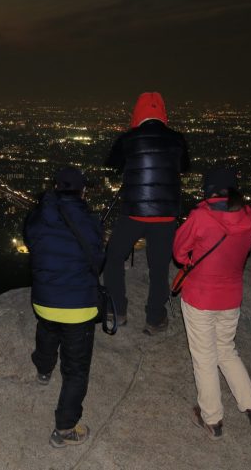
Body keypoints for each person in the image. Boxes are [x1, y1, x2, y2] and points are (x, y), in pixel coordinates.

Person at [173, 168, 251, 440]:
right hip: (231, 297)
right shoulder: (248, 215)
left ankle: (212, 419)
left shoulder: (201, 216)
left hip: (200, 296)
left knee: (204, 357)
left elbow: (179, 252)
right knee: (226, 350)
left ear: (208, 190)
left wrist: (192, 262)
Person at [23, 167, 104, 447]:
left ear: (56, 187)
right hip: (78, 308)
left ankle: (43, 370)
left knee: (47, 331)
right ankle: (65, 428)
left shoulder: (38, 216)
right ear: (83, 191)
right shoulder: (89, 220)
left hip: (44, 300)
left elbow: (30, 242)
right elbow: (98, 258)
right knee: (76, 369)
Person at [103, 92, 189, 334]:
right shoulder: (177, 139)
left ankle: (117, 310)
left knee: (113, 257)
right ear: (163, 112)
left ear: (137, 112)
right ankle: (155, 318)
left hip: (134, 211)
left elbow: (112, 163)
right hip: (166, 214)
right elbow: (184, 166)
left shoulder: (128, 138)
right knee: (159, 267)